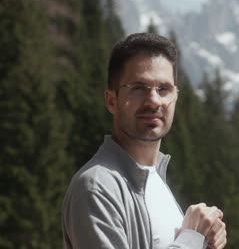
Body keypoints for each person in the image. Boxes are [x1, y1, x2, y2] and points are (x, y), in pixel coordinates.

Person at [62, 33, 227, 249]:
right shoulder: (96, 188)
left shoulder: (155, 179)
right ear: (112, 101)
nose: (154, 101)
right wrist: (192, 239)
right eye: (139, 88)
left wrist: (205, 243)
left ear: (175, 97)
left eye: (164, 89)